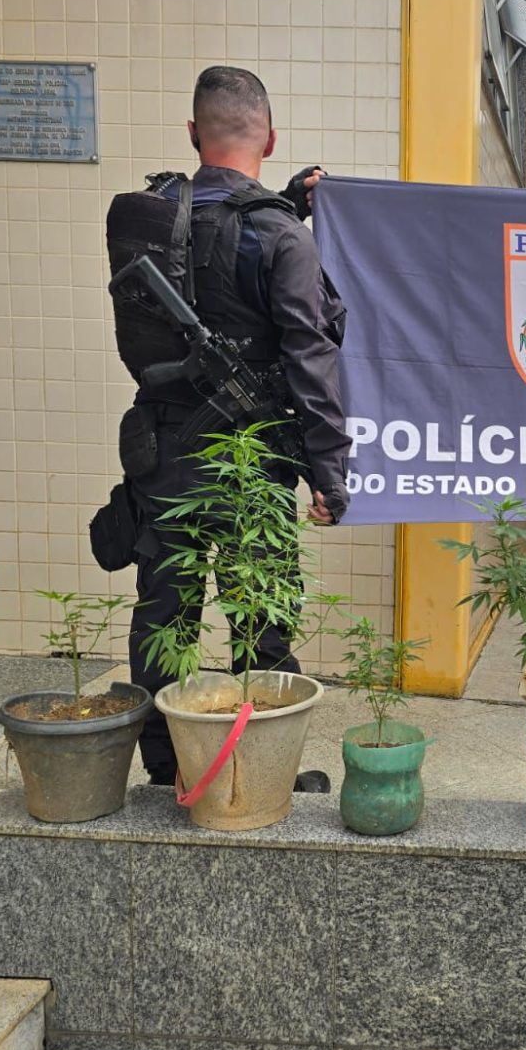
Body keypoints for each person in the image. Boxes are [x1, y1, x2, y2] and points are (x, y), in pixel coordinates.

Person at [110, 66, 351, 789]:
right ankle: (264, 772)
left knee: (165, 613)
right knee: (263, 618)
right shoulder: (280, 238)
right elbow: (312, 357)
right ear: (269, 138)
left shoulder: (150, 216)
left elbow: (202, 256)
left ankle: (165, 770)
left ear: (193, 134)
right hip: (253, 460)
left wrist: (286, 208)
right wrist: (328, 472)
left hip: (164, 454)